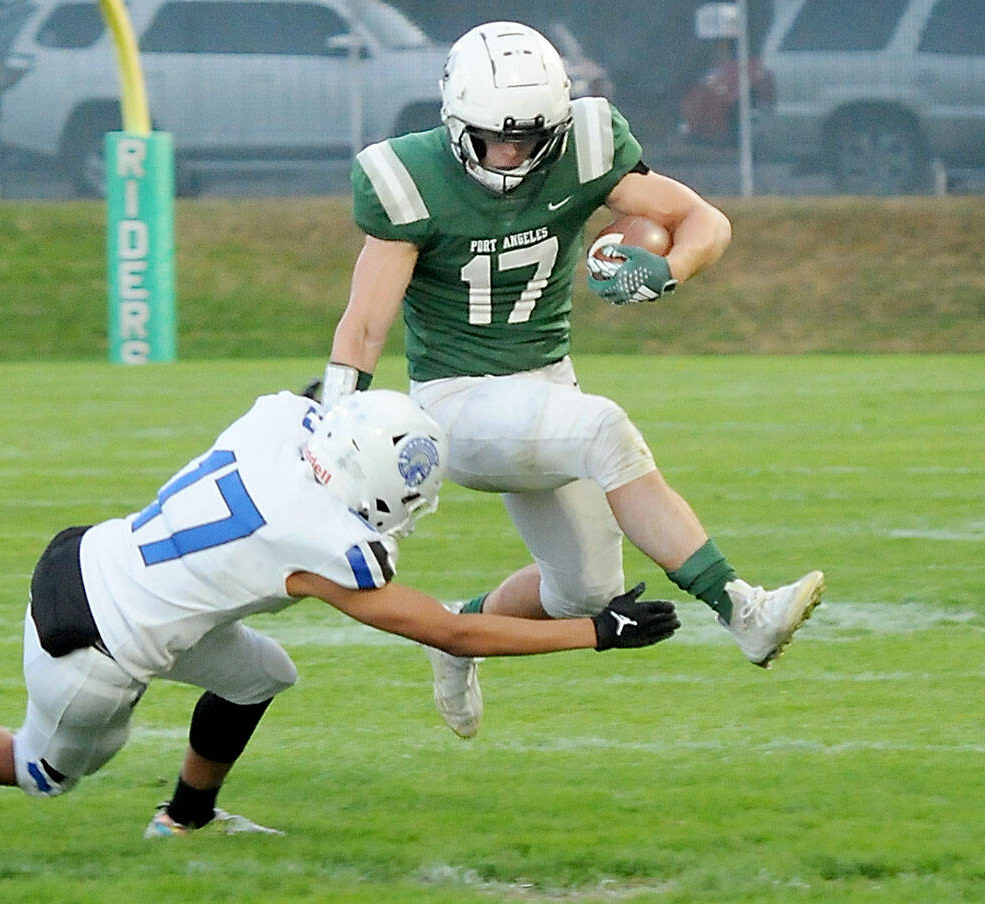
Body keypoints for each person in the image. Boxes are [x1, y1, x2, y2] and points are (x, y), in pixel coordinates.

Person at [0, 389, 679, 836]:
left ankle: (186, 820)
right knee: (40, 773)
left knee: (263, 672)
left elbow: (329, 386)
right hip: (95, 648)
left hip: (89, 557)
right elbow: (449, 630)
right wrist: (598, 629)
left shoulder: (281, 423)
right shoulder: (324, 542)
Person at [319, 22, 823, 739]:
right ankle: (743, 609)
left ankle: (457, 631)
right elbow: (365, 324)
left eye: (530, 138)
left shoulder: (585, 147)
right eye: (497, 136)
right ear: (457, 120)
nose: (514, 153)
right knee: (605, 428)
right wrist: (329, 421)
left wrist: (669, 271)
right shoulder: (409, 178)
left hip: (547, 388)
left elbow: (704, 220)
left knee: (586, 591)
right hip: (458, 405)